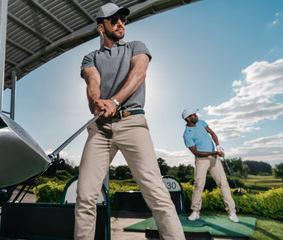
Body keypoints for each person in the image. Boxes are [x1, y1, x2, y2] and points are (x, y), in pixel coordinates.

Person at [74, 3, 185, 240]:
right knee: (84, 196)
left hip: (132, 123)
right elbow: (92, 83)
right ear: (100, 27)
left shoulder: (136, 46)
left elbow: (139, 73)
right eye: (114, 19)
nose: (121, 22)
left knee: (156, 192)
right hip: (101, 129)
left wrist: (114, 100)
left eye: (122, 18)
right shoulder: (90, 57)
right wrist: (98, 102)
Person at [181, 108, 239, 223]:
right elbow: (196, 152)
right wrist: (215, 152)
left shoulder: (201, 123)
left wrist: (217, 145)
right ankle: (195, 211)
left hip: (214, 159)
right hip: (201, 161)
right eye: (194, 115)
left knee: (223, 184)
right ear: (188, 118)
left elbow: (212, 133)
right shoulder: (187, 134)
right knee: (199, 185)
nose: (196, 116)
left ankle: (232, 212)